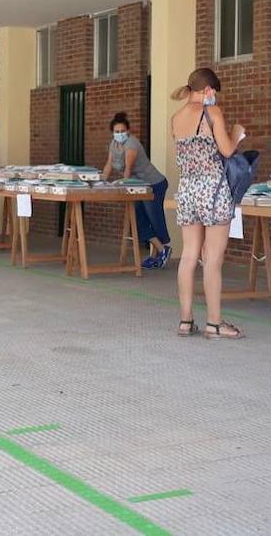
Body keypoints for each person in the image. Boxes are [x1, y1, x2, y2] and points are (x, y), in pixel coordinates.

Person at [171, 68, 246, 340]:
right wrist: (236, 134)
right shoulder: (212, 113)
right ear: (209, 91)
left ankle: (185, 320)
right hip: (212, 189)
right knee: (212, 259)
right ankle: (214, 323)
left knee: (190, 254)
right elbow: (226, 151)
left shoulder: (176, 118)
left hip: (187, 189)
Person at [102, 112, 172, 269]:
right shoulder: (113, 144)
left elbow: (128, 169)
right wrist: (102, 182)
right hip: (137, 187)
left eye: (122, 131)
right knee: (139, 220)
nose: (119, 134)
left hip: (153, 184)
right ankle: (160, 252)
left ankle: (163, 249)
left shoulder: (132, 144)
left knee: (154, 218)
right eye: (116, 132)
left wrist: (122, 185)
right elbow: (108, 165)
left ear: (128, 131)